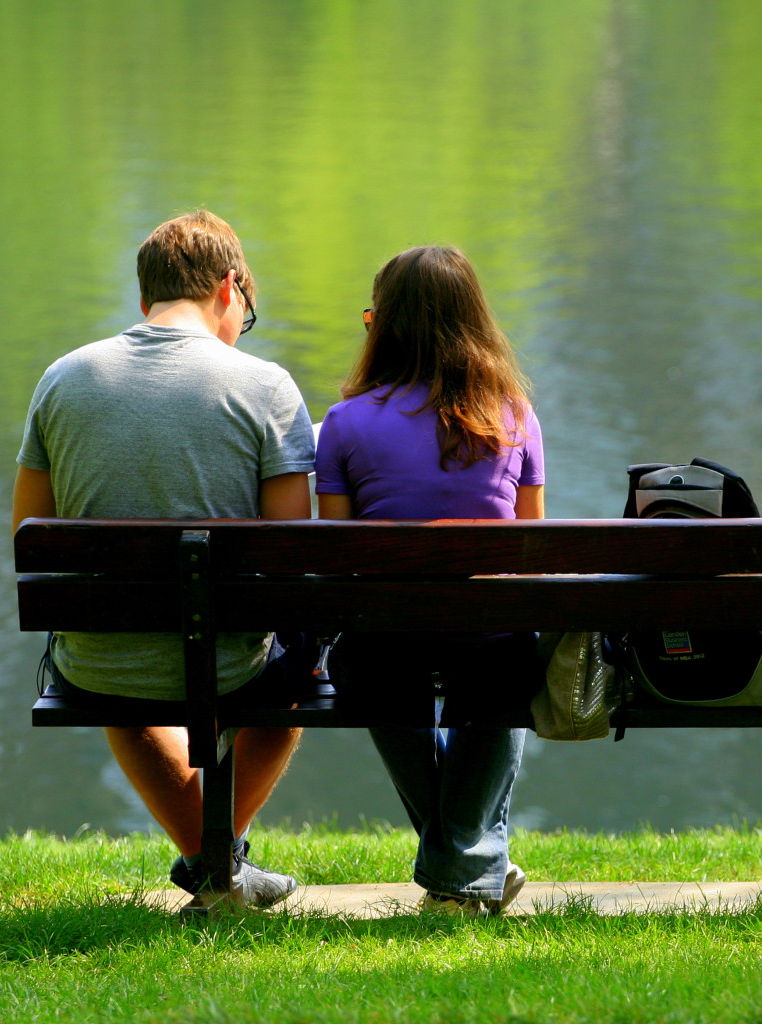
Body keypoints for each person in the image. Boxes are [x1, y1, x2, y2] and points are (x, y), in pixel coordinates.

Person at [13, 211, 316, 907]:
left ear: (146, 300)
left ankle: (217, 868)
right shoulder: (267, 387)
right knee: (299, 671)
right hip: (231, 663)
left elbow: (27, 532)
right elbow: (291, 556)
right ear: (229, 287)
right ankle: (222, 862)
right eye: (249, 308)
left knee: (123, 674)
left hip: (97, 658)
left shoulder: (62, 379)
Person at [314, 245, 545, 916]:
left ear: (382, 327)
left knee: (376, 670)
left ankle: (459, 876)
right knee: (500, 675)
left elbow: (338, 561)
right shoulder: (514, 413)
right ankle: (471, 869)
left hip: (383, 652)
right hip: (494, 650)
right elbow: (528, 553)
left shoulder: (345, 423)